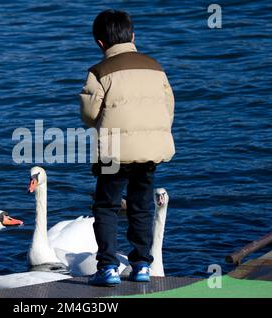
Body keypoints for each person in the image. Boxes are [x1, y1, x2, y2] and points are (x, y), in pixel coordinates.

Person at [79, 9, 175, 286]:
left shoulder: (99, 72)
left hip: (114, 150)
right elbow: (168, 108)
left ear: (99, 43)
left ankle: (108, 268)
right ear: (133, 36)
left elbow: (89, 114)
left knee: (107, 206)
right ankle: (142, 265)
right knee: (141, 205)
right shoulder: (156, 67)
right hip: (149, 148)